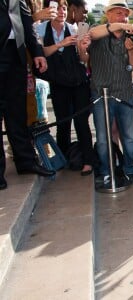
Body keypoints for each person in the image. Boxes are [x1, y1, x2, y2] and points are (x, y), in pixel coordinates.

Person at [0, 0, 56, 190]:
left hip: (16, 55)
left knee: (17, 112)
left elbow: (27, 25)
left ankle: (26, 162)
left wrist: (37, 52)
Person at [36, 0, 94, 176]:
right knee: (62, 122)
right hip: (58, 83)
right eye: (56, 8)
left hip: (78, 82)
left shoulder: (74, 29)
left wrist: (82, 48)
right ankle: (63, 158)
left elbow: (84, 60)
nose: (60, 12)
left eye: (63, 8)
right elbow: (40, 52)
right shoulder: (40, 29)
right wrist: (61, 44)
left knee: (81, 122)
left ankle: (88, 161)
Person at [88, 0, 133, 185]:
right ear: (108, 15)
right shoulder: (98, 30)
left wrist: (131, 50)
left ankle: (129, 169)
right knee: (103, 137)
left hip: (125, 93)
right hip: (101, 94)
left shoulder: (131, 38)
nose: (123, 17)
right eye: (118, 13)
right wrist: (121, 25)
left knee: (130, 138)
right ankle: (105, 171)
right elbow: (92, 34)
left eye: (125, 13)